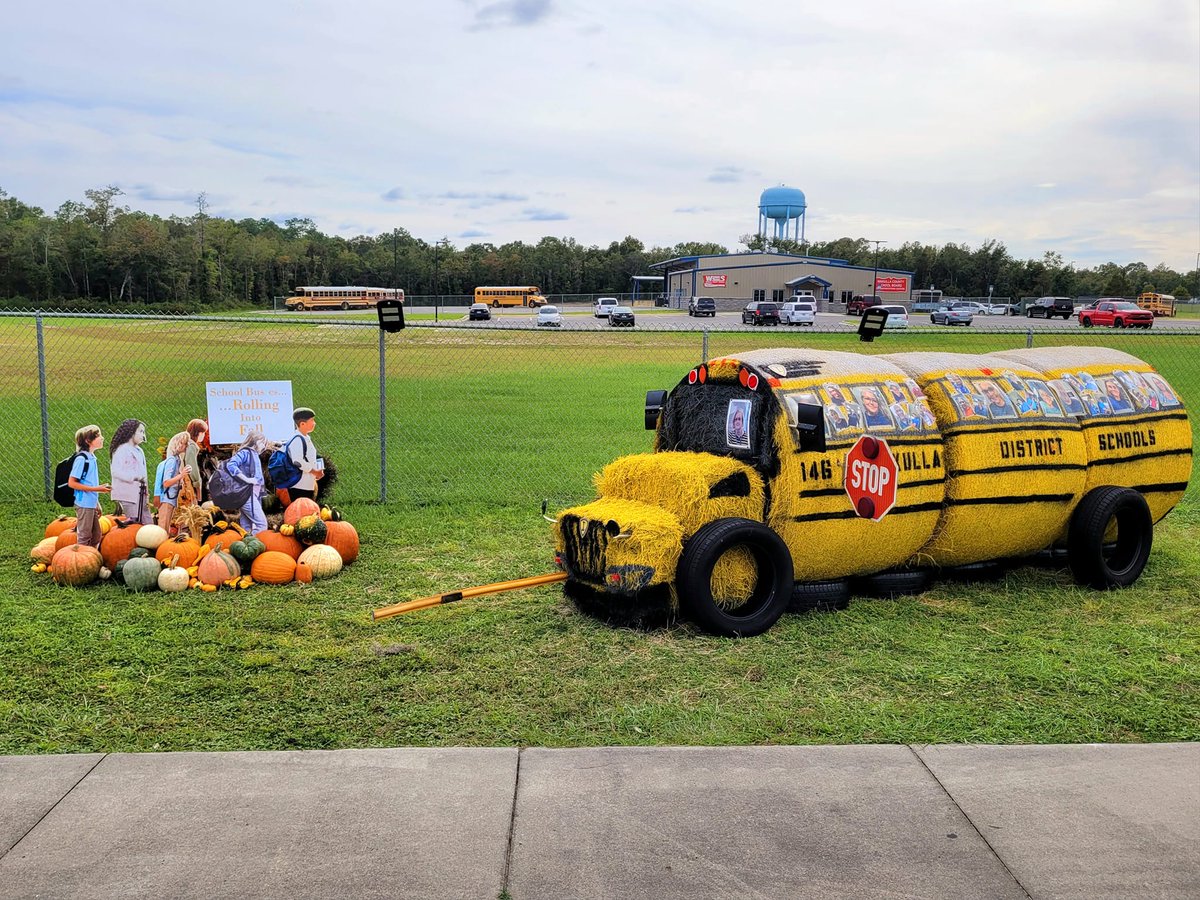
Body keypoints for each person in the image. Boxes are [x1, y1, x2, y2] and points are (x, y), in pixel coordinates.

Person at [67, 425, 111, 548]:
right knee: (84, 535)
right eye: (98, 436)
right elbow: (72, 483)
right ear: (88, 441)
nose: (102, 438)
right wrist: (98, 489)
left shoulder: (91, 458)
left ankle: (91, 557)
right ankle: (81, 561)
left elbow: (89, 482)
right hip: (84, 503)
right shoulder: (82, 459)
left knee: (96, 534)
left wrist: (96, 503)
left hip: (91, 503)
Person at [227, 430, 269, 534]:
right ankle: (252, 544)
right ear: (256, 441)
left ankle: (245, 546)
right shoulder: (246, 452)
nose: (264, 446)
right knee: (261, 524)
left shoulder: (254, 454)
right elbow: (231, 465)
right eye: (262, 442)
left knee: (246, 526)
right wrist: (247, 480)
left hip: (252, 494)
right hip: (246, 494)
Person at [110, 418, 152, 523]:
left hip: (140, 492)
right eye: (141, 431)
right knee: (135, 522)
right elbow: (116, 471)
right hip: (128, 494)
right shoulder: (121, 450)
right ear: (131, 432)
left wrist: (146, 491)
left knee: (147, 522)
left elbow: (144, 472)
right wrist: (134, 477)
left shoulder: (139, 450)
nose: (143, 434)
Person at [156, 432, 192, 532]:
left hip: (171, 498)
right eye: (185, 443)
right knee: (163, 527)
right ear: (178, 444)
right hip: (166, 499)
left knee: (167, 527)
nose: (187, 446)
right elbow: (166, 483)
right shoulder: (171, 461)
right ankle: (160, 545)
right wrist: (181, 475)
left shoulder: (177, 459)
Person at [286, 407, 323, 501]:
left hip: (306, 484)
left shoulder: (305, 438)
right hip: (299, 485)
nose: (314, 423)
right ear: (302, 424)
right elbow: (297, 461)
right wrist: (314, 471)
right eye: (312, 420)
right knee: (302, 512)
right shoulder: (297, 440)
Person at [183, 418, 208, 500]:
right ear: (198, 433)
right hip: (185, 479)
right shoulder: (192, 446)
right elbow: (191, 464)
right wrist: (197, 481)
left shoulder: (186, 442)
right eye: (203, 433)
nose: (204, 435)